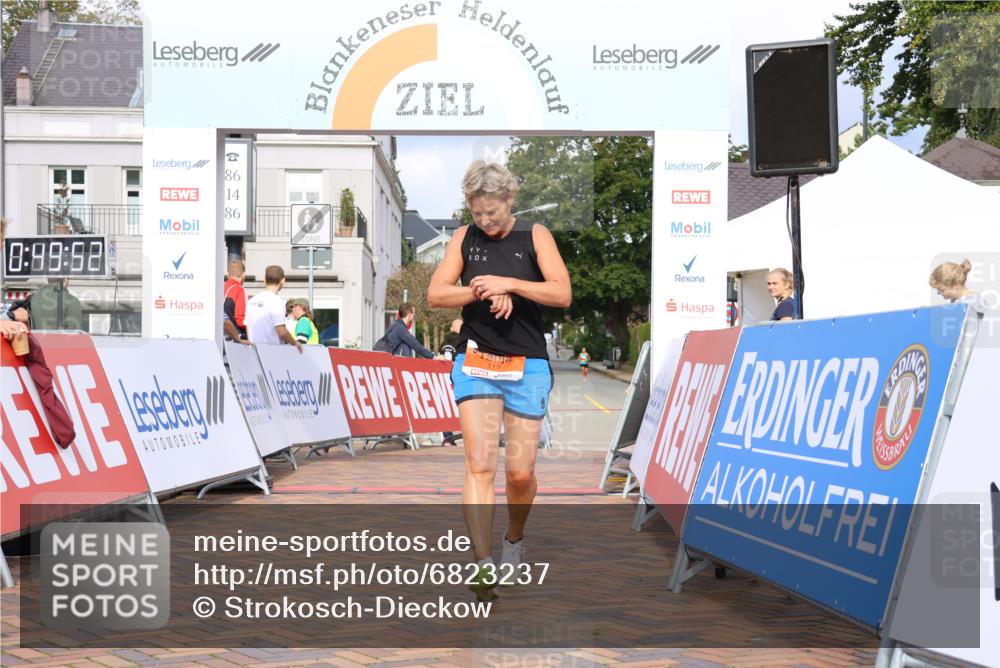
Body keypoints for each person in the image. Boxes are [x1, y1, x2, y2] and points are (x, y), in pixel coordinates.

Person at [428, 160, 571, 601]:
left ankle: (513, 540)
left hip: (526, 364)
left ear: (510, 199)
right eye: (477, 213)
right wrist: (482, 289)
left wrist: (510, 283)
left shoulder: (536, 236)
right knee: (479, 464)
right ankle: (483, 562)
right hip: (478, 360)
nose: (485, 222)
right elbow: (436, 294)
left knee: (520, 472)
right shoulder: (463, 240)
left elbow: (561, 293)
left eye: (492, 212)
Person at [245, 265, 302, 353]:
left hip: (253, 351)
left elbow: (248, 327)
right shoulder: (277, 301)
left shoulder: (251, 301)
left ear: (264, 279)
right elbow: (281, 331)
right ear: (283, 280)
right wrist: (295, 343)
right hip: (271, 353)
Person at [440, 318, 464, 447]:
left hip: (442, 378)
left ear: (450, 329)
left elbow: (439, 354)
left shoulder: (444, 343)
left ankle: (447, 435)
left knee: (446, 406)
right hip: (458, 377)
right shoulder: (463, 342)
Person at [223, 260, 248, 340]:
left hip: (220, 337)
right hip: (235, 339)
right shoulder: (240, 290)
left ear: (227, 274)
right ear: (244, 275)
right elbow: (241, 321)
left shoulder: (219, 288)